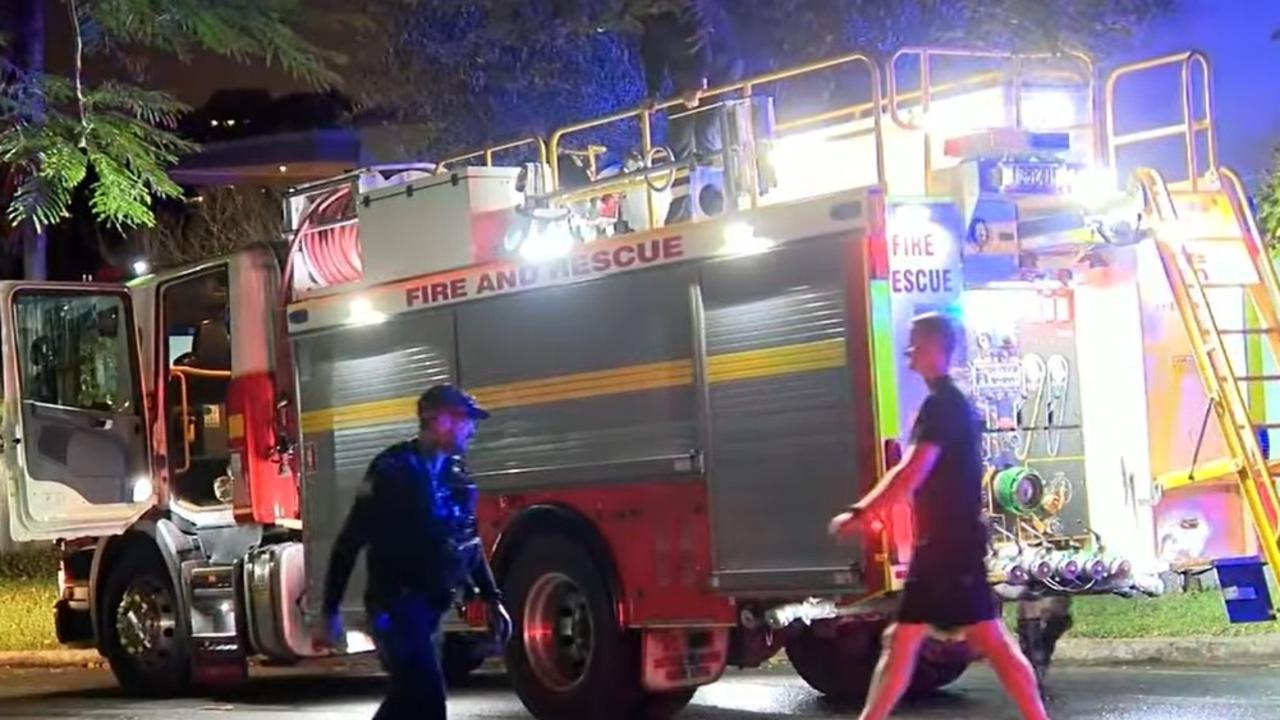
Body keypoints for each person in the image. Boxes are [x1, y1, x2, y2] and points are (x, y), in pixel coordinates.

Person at [829, 313, 1048, 720]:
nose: (909, 350)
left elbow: (911, 472)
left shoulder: (943, 406)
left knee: (988, 641)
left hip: (951, 551)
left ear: (935, 349)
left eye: (915, 342)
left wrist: (863, 513)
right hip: (947, 548)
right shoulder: (946, 403)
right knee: (909, 638)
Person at [315, 384, 512, 720]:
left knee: (412, 701)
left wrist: (492, 599)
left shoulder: (456, 475)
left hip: (430, 609)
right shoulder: (392, 471)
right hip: (396, 607)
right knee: (425, 697)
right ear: (441, 421)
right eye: (467, 420)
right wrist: (329, 611)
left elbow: (469, 541)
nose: (473, 429)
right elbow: (350, 541)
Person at [636, 0, 744, 224]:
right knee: (679, 138)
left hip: (719, 71)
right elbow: (653, 54)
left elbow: (700, 38)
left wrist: (697, 82)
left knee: (708, 132)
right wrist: (653, 92)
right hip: (687, 75)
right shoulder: (651, 17)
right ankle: (681, 209)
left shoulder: (690, 7)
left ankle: (716, 204)